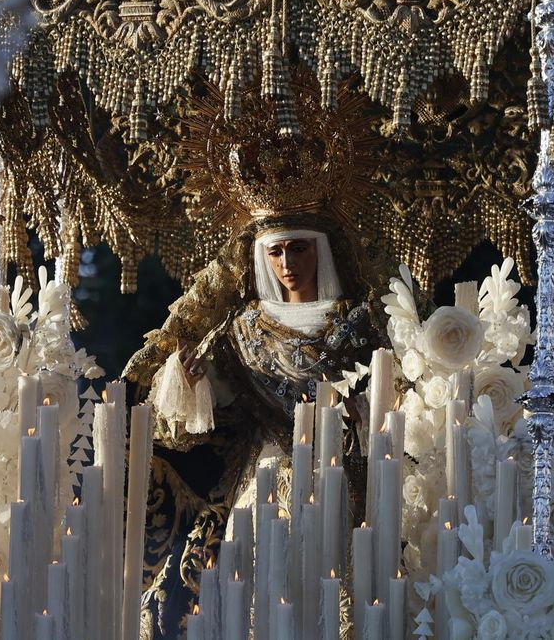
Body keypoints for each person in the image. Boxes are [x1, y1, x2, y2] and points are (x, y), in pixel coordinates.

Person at [123, 218, 379, 638]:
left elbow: (397, 394)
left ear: (321, 249)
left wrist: (360, 410)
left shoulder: (362, 324)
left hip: (346, 476)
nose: (287, 263)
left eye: (298, 248)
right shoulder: (245, 330)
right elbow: (187, 424)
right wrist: (189, 381)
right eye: (275, 252)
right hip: (267, 478)